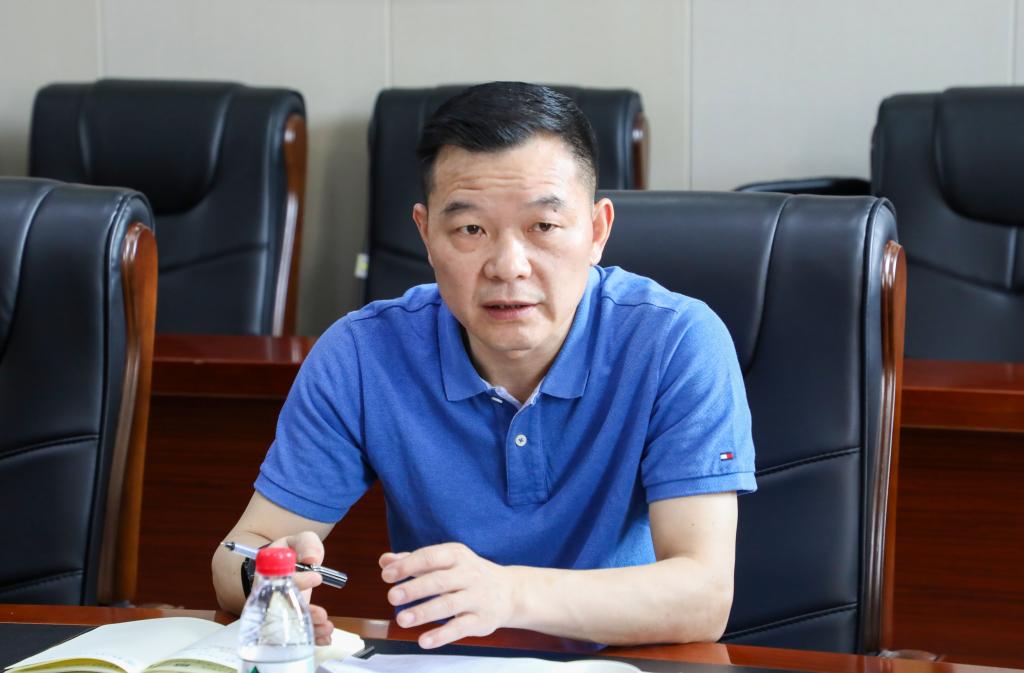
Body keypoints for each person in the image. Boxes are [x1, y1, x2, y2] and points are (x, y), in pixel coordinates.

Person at [212, 81, 755, 649]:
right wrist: (266, 578)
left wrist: (511, 593)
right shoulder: (361, 353)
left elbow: (704, 597)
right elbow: (236, 554)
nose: (508, 266)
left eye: (543, 227)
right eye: (471, 229)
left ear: (597, 231)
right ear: (426, 234)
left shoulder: (675, 342)